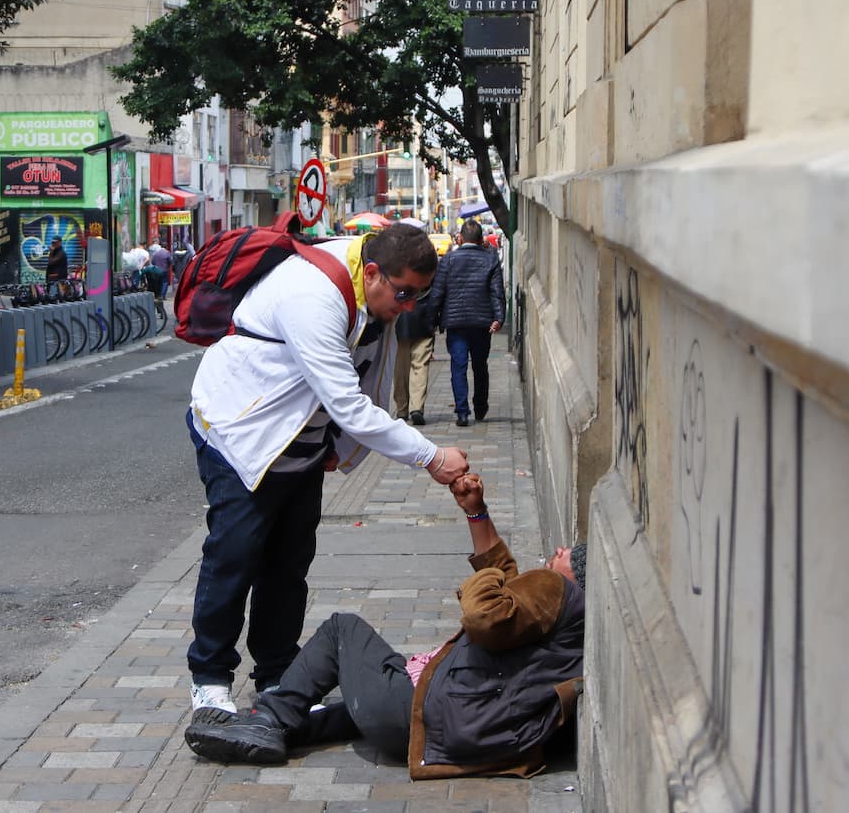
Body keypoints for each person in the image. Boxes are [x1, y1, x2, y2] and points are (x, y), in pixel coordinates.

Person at [186, 223, 471, 716]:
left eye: (418, 298)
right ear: (375, 271)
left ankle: (275, 674)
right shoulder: (313, 294)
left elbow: (369, 382)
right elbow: (349, 402)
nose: (408, 308)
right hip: (240, 435)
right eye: (404, 294)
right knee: (233, 556)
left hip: (299, 446)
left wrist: (339, 447)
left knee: (288, 565)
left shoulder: (372, 289)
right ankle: (209, 679)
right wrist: (430, 455)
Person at [184, 472, 587, 780]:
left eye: (573, 554)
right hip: (451, 727)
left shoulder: (556, 589)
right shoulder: (574, 622)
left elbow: (485, 614)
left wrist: (490, 583)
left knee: (343, 630)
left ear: (580, 575)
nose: (560, 550)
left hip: (424, 714)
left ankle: (268, 719)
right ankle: (276, 729)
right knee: (349, 706)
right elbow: (508, 589)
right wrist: (476, 513)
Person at [432, 220, 506, 427]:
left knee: (458, 367)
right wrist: (499, 319)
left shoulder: (448, 260)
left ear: (461, 238)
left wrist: (433, 320)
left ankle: (462, 412)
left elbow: (438, 293)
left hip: (455, 324)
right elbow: (497, 293)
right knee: (480, 366)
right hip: (482, 324)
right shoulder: (490, 260)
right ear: (481, 239)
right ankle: (481, 407)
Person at [392, 284, 437, 425]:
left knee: (400, 369)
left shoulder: (393, 265)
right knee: (420, 366)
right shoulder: (429, 265)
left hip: (399, 319)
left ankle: (402, 408)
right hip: (423, 317)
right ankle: (416, 407)